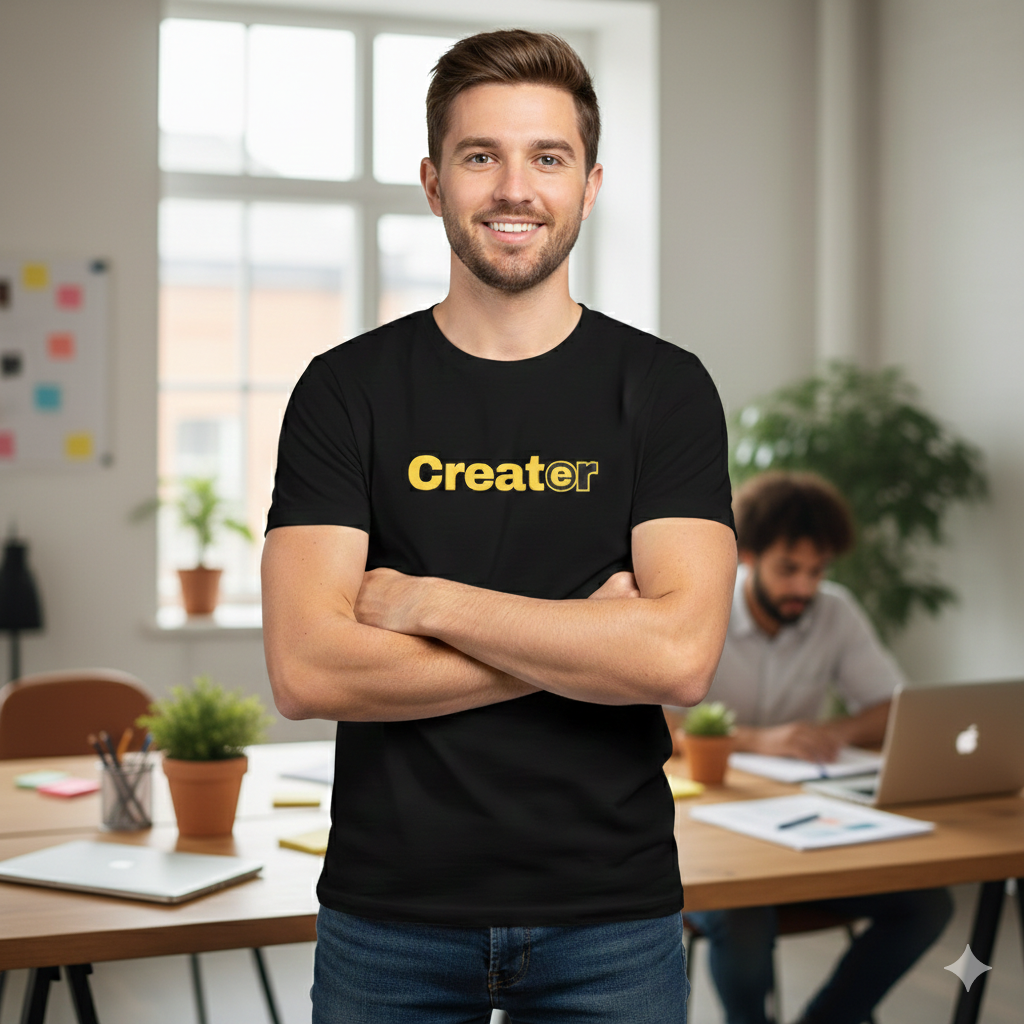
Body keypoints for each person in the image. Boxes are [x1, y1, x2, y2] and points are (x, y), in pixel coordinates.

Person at [261, 29, 737, 1024]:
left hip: (610, 918)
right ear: (434, 182)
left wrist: (429, 602)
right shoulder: (346, 391)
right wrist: (588, 637)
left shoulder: (665, 389)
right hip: (389, 917)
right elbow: (308, 670)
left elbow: (679, 660)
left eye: (547, 157)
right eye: (481, 155)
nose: (514, 188)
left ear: (590, 186)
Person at [681, 471, 953, 1024]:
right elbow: (648, 724)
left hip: (806, 829)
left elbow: (893, 706)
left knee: (926, 905)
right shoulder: (701, 607)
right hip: (711, 842)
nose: (804, 588)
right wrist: (758, 741)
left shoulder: (835, 611)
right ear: (748, 556)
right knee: (744, 919)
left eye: (817, 570)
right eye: (789, 568)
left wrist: (839, 732)